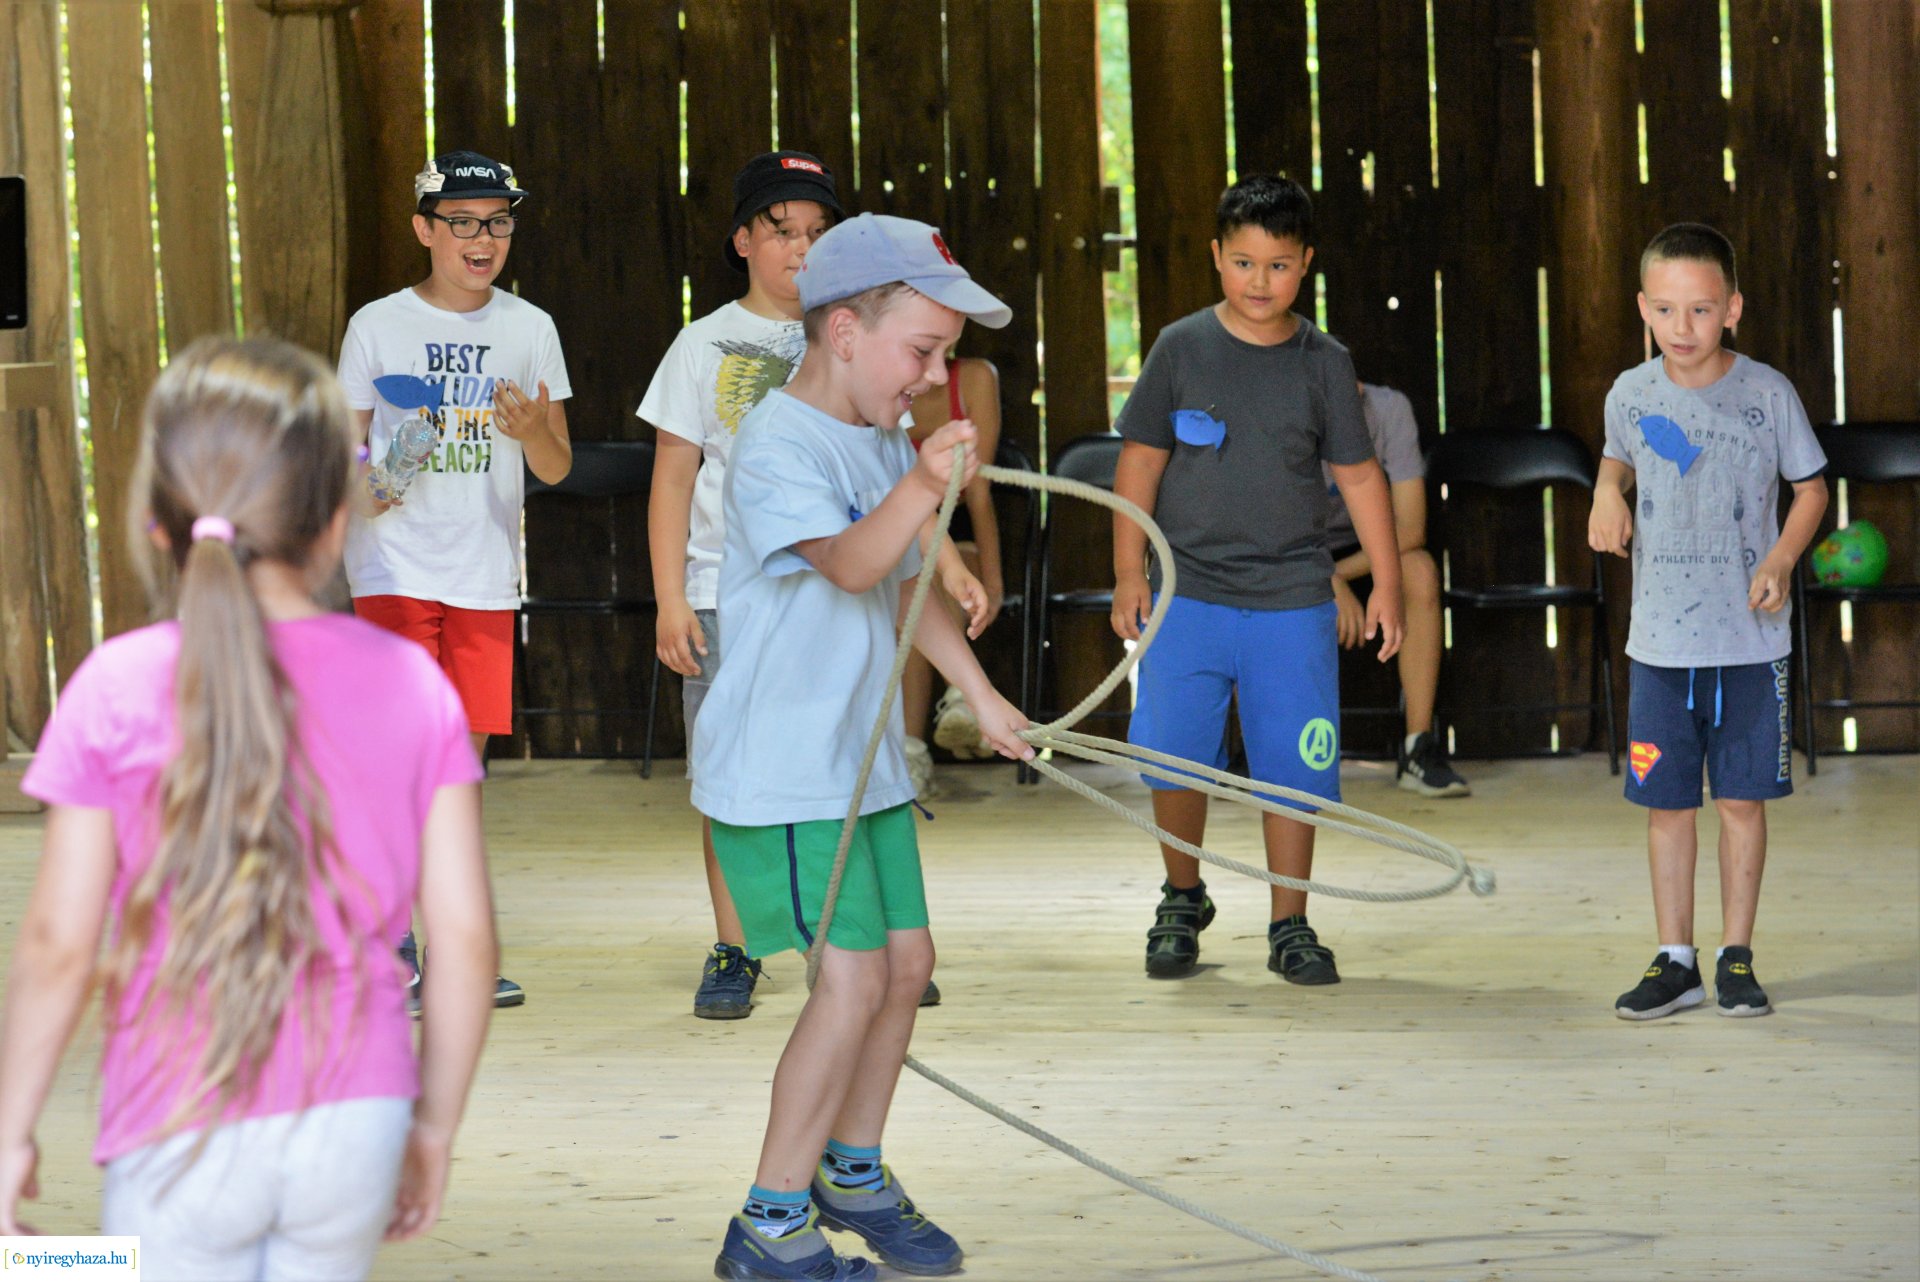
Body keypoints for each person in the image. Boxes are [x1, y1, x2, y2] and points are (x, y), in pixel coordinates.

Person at [0, 337, 496, 1279]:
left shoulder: (115, 686)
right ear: (332, 523)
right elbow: (464, 942)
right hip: (358, 1118)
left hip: (175, 1118)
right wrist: (432, 1125)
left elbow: (59, 945)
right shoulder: (412, 686)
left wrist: (10, 1132)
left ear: (158, 525)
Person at [696, 213, 1029, 1281]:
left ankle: (853, 1167)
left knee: (906, 967)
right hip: (784, 772)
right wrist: (926, 486)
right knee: (845, 983)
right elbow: (847, 562)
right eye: (922, 353)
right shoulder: (778, 442)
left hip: (859, 766)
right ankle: (770, 1221)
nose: (933, 379)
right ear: (843, 331)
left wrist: (982, 694)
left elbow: (902, 583)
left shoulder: (883, 444)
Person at [1110, 174, 1404, 986]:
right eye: (1243, 263)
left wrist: (1387, 583)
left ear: (1304, 264)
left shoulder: (1324, 363)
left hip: (1292, 602)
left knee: (1294, 766)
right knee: (1175, 756)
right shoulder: (1179, 348)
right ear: (1216, 257)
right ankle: (1181, 894)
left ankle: (1291, 920)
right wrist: (1127, 570)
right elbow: (1138, 464)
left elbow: (1360, 478)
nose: (1259, 281)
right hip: (1186, 596)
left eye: (1278, 265)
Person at [339, 149, 574, 1012]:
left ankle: (446, 953)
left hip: (483, 575)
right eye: (465, 222)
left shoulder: (530, 328)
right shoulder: (377, 327)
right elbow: (351, 481)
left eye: (499, 222)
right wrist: (394, 463)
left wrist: (528, 427)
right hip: (394, 568)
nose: (485, 238)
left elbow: (554, 465)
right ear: (425, 230)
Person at [1590, 222, 1827, 1021]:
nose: (1681, 329)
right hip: (1660, 643)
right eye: (1665, 310)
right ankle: (1675, 958)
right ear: (1643, 309)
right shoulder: (1630, 392)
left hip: (1749, 643)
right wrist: (1604, 491)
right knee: (1666, 806)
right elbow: (1618, 454)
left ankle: (1735, 956)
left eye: (1700, 310)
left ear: (1732, 309)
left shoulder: (1767, 394)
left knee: (1739, 803)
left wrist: (1783, 559)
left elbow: (1813, 490)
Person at [642, 151, 840, 1020]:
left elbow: (889, 466)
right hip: (725, 596)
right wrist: (671, 597)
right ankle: (736, 943)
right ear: (743, 241)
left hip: (833, 593)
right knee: (727, 774)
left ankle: (844, 938)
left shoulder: (853, 332)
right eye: (782, 232)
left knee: (837, 768)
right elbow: (674, 480)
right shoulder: (700, 343)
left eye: (817, 234)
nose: (801, 250)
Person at [1327, 380, 1470, 796]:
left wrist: (1336, 574)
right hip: (1292, 550)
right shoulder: (1276, 408)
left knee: (1420, 571)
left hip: (1371, 545)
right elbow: (1265, 530)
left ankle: (1417, 750)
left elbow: (1409, 530)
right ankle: (1258, 753)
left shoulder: (1390, 408)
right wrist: (1320, 575)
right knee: (1248, 579)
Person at [902, 355, 1007, 794]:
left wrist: (994, 579)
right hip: (889, 525)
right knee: (912, 589)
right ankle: (959, 695)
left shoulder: (976, 377)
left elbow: (978, 490)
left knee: (924, 592)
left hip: (957, 522)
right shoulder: (878, 379)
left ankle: (910, 754)